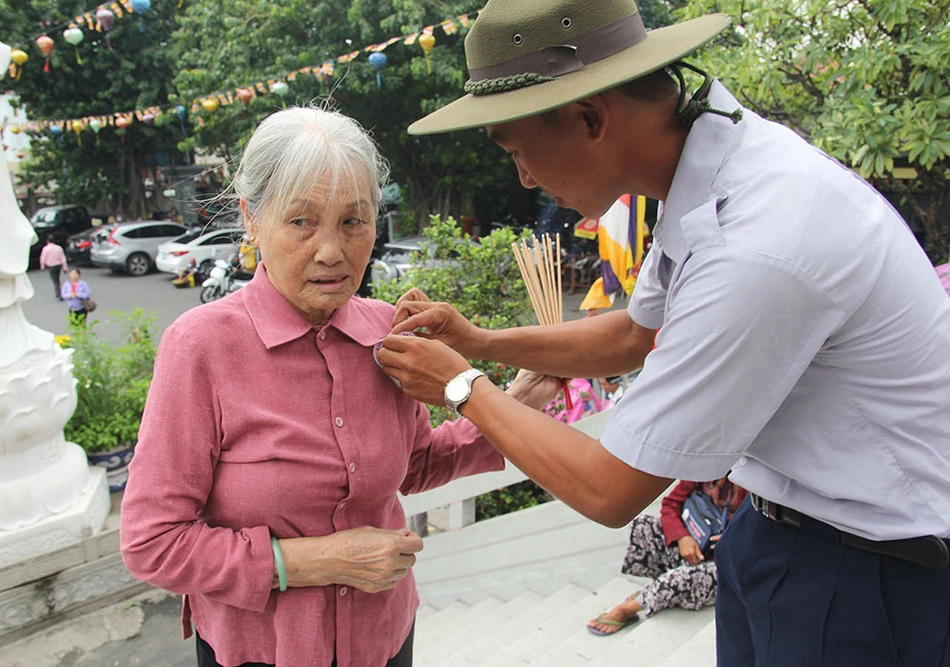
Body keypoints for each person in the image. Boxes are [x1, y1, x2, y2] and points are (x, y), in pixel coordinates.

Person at [375, 0, 950, 665]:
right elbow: (634, 337)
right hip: (781, 533)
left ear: (589, 117)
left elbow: (608, 487)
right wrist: (479, 340)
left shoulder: (758, 241)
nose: (524, 177)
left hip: (869, 571)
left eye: (519, 153)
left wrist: (457, 383)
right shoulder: (716, 166)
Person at [119, 106, 554, 667]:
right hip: (263, 653)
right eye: (301, 221)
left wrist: (519, 403)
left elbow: (417, 463)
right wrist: (317, 561)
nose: (331, 251)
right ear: (251, 218)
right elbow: (152, 541)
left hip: (384, 638)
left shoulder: (383, 330)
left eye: (354, 221)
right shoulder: (201, 347)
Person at [586, 477, 747, 636]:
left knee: (681, 578)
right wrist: (682, 537)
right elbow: (670, 504)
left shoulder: (748, 487)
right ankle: (658, 590)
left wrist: (731, 541)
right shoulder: (705, 471)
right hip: (695, 543)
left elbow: (758, 537)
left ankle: (627, 609)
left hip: (724, 566)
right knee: (643, 525)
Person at [39, 233, 68, 300]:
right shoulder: (59, 248)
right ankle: (59, 293)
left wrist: (42, 265)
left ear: (47, 241)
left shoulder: (46, 249)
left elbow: (43, 258)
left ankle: (58, 293)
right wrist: (65, 267)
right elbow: (62, 258)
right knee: (58, 279)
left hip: (51, 266)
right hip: (58, 265)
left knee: (55, 280)